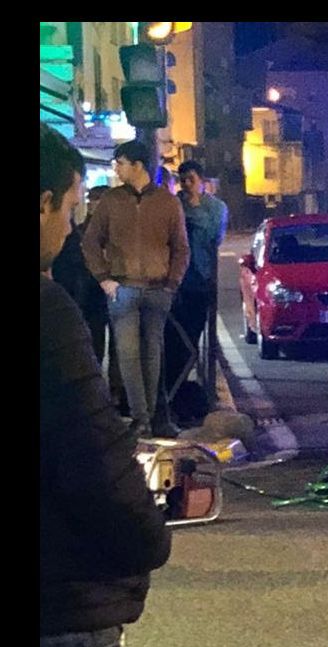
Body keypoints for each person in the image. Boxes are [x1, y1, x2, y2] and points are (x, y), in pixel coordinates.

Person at [40, 122, 172, 647]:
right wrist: (149, 536)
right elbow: (92, 452)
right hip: (58, 605)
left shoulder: (164, 204)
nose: (69, 229)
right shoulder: (47, 312)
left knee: (149, 362)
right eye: (68, 210)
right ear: (42, 204)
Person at [82, 140, 190, 438]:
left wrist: (171, 284)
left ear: (138, 165)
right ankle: (142, 417)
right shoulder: (111, 201)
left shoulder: (168, 202)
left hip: (158, 289)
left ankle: (149, 416)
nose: (115, 168)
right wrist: (104, 278)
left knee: (152, 352)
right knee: (129, 355)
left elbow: (181, 248)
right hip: (123, 288)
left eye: (120, 162)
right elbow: (90, 242)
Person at [164, 160, 228, 421]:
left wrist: (194, 210)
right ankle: (173, 392)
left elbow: (215, 236)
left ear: (202, 180)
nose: (186, 184)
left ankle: (181, 392)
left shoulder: (215, 208)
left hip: (199, 282)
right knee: (172, 342)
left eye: (191, 179)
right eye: (182, 179)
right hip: (173, 283)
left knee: (192, 339)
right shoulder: (173, 204)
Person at [52, 185, 109, 364]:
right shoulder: (79, 230)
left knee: (96, 337)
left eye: (96, 199)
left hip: (96, 291)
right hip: (85, 291)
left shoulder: (104, 230)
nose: (92, 203)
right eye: (90, 199)